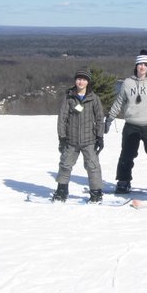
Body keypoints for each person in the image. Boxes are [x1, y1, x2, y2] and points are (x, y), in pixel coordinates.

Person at [104, 50, 147, 193]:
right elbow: (119, 101)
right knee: (127, 155)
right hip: (131, 125)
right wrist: (110, 117)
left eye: (145, 64)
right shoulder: (128, 83)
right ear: (136, 66)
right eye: (140, 64)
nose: (142, 67)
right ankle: (123, 181)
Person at [53, 68, 105, 203]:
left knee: (93, 167)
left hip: (89, 140)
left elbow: (99, 118)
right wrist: (62, 137)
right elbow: (62, 118)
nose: (81, 82)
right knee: (65, 165)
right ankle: (61, 191)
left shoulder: (94, 98)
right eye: (78, 79)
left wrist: (100, 137)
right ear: (75, 80)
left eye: (84, 79)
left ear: (88, 82)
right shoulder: (69, 97)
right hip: (71, 140)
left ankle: (96, 193)